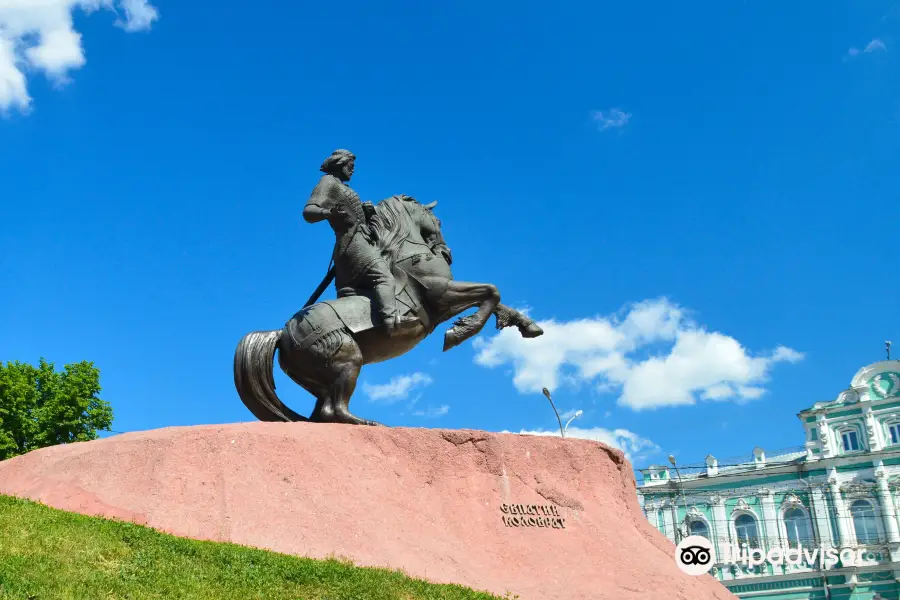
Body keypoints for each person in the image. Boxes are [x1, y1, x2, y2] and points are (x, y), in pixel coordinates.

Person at [303, 149, 419, 337]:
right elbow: (309, 211)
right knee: (384, 278)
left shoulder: (341, 186)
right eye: (351, 166)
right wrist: (328, 213)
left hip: (349, 248)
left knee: (351, 295)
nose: (353, 170)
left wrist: (366, 214)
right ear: (341, 164)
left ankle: (361, 334)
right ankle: (391, 321)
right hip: (355, 244)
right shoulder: (328, 182)